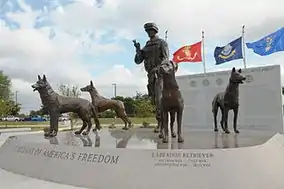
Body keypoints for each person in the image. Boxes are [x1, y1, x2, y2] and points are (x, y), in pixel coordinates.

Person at [133, 22, 170, 103]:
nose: (149, 32)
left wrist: (158, 68)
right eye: (147, 31)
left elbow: (166, 58)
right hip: (150, 74)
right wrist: (138, 50)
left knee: (159, 94)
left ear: (155, 31)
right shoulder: (146, 46)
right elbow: (138, 61)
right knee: (152, 95)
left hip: (160, 73)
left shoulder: (161, 43)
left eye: (151, 30)